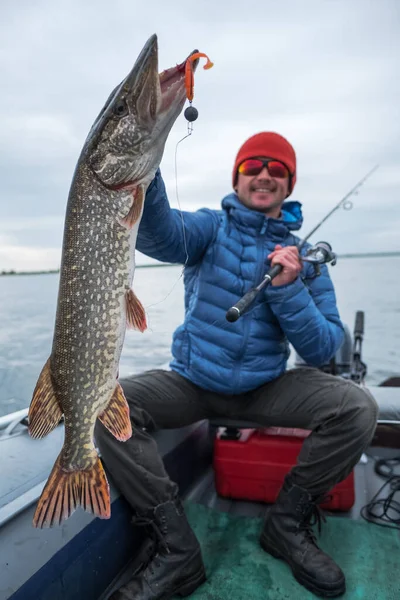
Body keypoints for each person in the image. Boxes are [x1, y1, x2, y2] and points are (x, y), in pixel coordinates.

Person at [96, 132, 378, 600]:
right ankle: (176, 547)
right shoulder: (210, 229)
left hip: (266, 388)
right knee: (110, 406)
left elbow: (322, 348)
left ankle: (285, 525)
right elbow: (160, 234)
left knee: (357, 408)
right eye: (253, 166)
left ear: (288, 184)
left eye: (277, 169)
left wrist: (289, 287)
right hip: (193, 381)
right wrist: (146, 161)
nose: (264, 174)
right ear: (238, 177)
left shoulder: (306, 260)